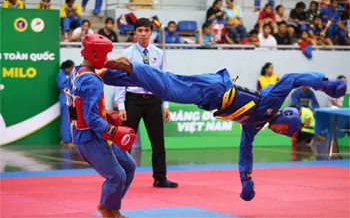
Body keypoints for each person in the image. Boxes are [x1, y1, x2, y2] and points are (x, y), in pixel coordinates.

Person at [99, 55, 346, 202]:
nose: (280, 133)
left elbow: (245, 149)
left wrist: (245, 178)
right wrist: (325, 84)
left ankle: (109, 75)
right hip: (216, 88)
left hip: (209, 97)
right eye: (284, 130)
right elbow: (291, 78)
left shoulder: (256, 124)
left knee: (164, 86)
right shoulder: (272, 102)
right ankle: (130, 66)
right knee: (167, 88)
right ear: (287, 118)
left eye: (283, 134)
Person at [67, 34, 137, 218]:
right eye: (105, 55)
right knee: (117, 176)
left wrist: (105, 113)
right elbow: (90, 118)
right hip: (89, 137)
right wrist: (113, 131)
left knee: (129, 166)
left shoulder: (78, 72)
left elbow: (84, 105)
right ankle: (107, 211)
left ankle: (110, 207)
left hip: (90, 132)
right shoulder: (92, 81)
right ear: (95, 53)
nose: (106, 59)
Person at [114, 18, 178, 188]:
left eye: (146, 30)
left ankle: (160, 177)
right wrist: (121, 106)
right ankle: (119, 177)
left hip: (154, 100)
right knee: (125, 140)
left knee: (158, 142)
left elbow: (163, 81)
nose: (143, 34)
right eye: (140, 30)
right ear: (134, 33)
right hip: (133, 100)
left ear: (151, 32)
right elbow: (121, 81)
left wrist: (165, 105)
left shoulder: (158, 53)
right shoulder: (127, 54)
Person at [56, 60, 75, 146]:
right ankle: (66, 140)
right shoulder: (61, 74)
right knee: (66, 120)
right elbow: (61, 85)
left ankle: (71, 139)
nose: (71, 69)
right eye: (71, 68)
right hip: (65, 98)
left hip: (71, 98)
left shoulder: (70, 75)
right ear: (66, 67)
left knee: (72, 120)